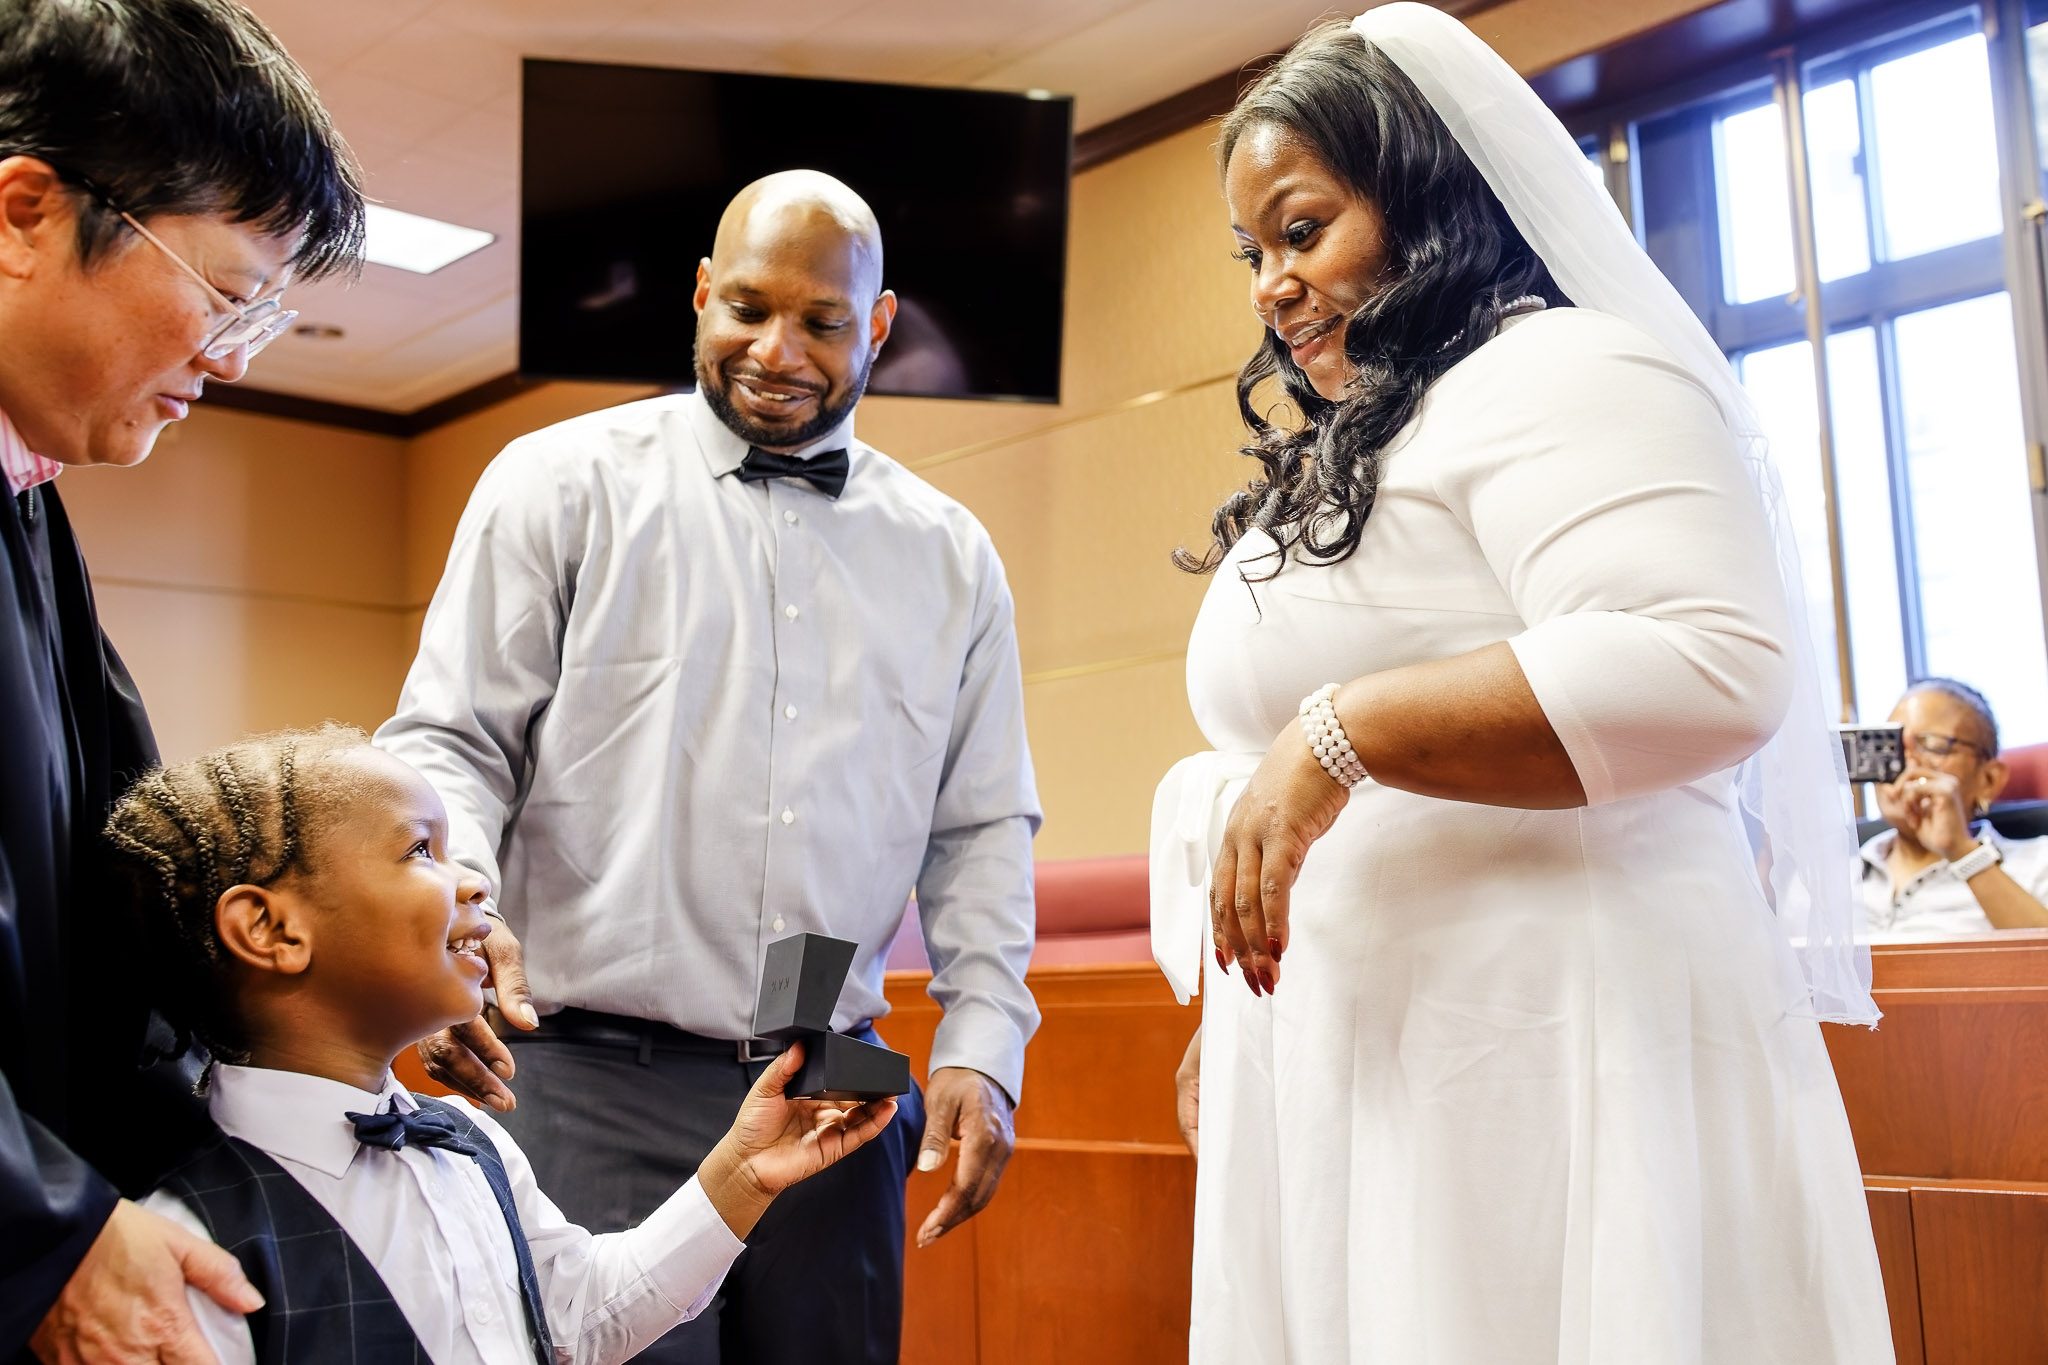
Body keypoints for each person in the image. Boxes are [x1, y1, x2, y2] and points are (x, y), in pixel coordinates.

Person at [1152, 7, 1890, 1361]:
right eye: (1254, 252)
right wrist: (1249, 1013)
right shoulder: (1364, 435)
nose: (1269, 283)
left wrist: (1340, 735)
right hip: (1360, 1058)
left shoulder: (1568, 369)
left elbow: (1710, 659)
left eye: (1304, 231)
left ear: (1430, 199)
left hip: (1544, 1039)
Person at [376, 169, 1041, 1364]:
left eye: (823, 322)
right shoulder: (560, 483)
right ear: (696, 297)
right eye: (745, 309)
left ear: (877, 325)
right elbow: (446, 747)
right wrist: (462, 914)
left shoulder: (949, 555)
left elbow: (980, 826)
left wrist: (984, 1042)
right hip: (586, 1084)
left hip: (832, 1100)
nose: (775, 349)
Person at [104, 725, 896, 1364]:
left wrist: (741, 1175)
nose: (476, 884)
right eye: (420, 850)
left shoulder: (470, 1141)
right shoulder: (185, 1242)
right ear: (271, 928)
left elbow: (581, 1319)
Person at [0, 1, 364, 1357]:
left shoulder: (32, 501)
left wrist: (327, 1015)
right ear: (25, 212)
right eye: (224, 295)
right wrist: (42, 1228)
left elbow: (112, 861)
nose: (227, 357)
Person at [1858, 678, 2048, 937]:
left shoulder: (2038, 864)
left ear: (1989, 779)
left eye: (1932, 745)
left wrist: (1961, 851)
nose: (1905, 763)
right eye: (1892, 746)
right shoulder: (1828, 874)